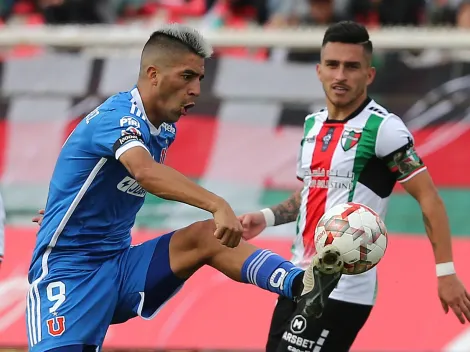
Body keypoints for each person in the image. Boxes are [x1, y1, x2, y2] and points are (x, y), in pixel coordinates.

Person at [26, 23, 340, 352]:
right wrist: (217, 203)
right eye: (187, 76)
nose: (195, 90)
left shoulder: (162, 129)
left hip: (120, 268)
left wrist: (69, 206)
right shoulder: (117, 118)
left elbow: (99, 177)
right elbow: (145, 171)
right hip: (68, 273)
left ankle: (299, 284)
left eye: (200, 79)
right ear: (153, 74)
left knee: (207, 237)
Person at [239, 20, 470, 352]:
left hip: (343, 286)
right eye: (333, 65)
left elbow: (430, 199)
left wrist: (446, 272)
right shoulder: (313, 125)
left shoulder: (383, 129)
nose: (340, 75)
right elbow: (313, 193)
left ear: (369, 74)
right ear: (319, 70)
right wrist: (267, 217)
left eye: (351, 66)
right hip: (296, 277)